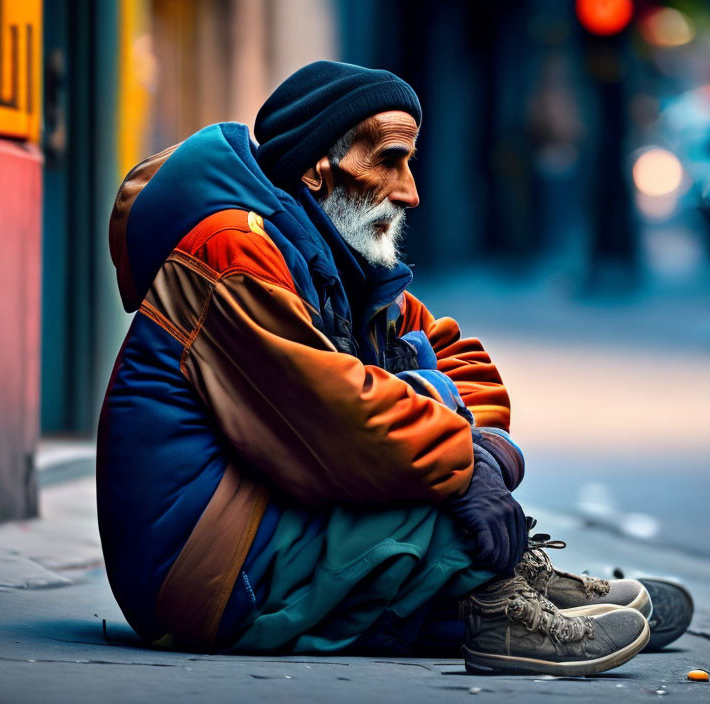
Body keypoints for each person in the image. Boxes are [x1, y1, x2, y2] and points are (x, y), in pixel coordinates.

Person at [98, 61, 652, 675]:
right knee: (434, 493)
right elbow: (333, 424)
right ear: (315, 168)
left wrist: (482, 454)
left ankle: (494, 582)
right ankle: (493, 599)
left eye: (409, 164)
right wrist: (462, 469)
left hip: (273, 521)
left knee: (436, 463)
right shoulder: (232, 251)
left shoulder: (348, 263)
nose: (410, 190)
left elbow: (463, 360)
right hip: (209, 566)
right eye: (389, 161)